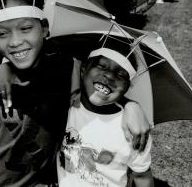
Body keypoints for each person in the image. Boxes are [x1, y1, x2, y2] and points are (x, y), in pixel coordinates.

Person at [0, 0, 151, 187]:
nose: (15, 41)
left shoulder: (67, 72)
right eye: (2, 33)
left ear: (44, 29)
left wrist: (130, 105)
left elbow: (100, 87)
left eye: (25, 28)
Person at [57, 39, 154, 187]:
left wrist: (131, 104)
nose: (109, 76)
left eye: (121, 75)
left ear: (127, 87)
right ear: (83, 70)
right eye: (101, 65)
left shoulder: (133, 130)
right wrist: (6, 65)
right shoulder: (67, 106)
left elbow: (142, 176)